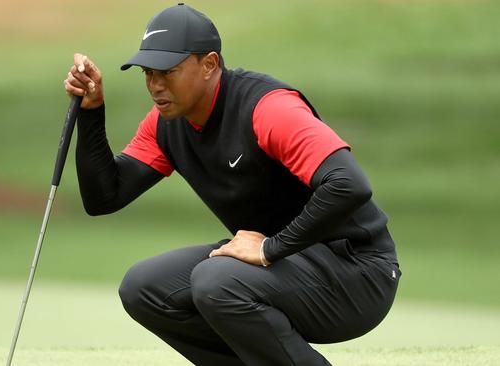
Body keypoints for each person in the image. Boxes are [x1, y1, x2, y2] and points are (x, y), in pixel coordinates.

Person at [64, 3, 400, 366]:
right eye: (148, 72)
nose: (155, 85)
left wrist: (271, 248)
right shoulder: (167, 123)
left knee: (216, 281)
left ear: (209, 64)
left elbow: (349, 184)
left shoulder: (267, 108)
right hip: (282, 268)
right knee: (144, 288)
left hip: (357, 273)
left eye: (168, 71)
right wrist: (91, 111)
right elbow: (105, 196)